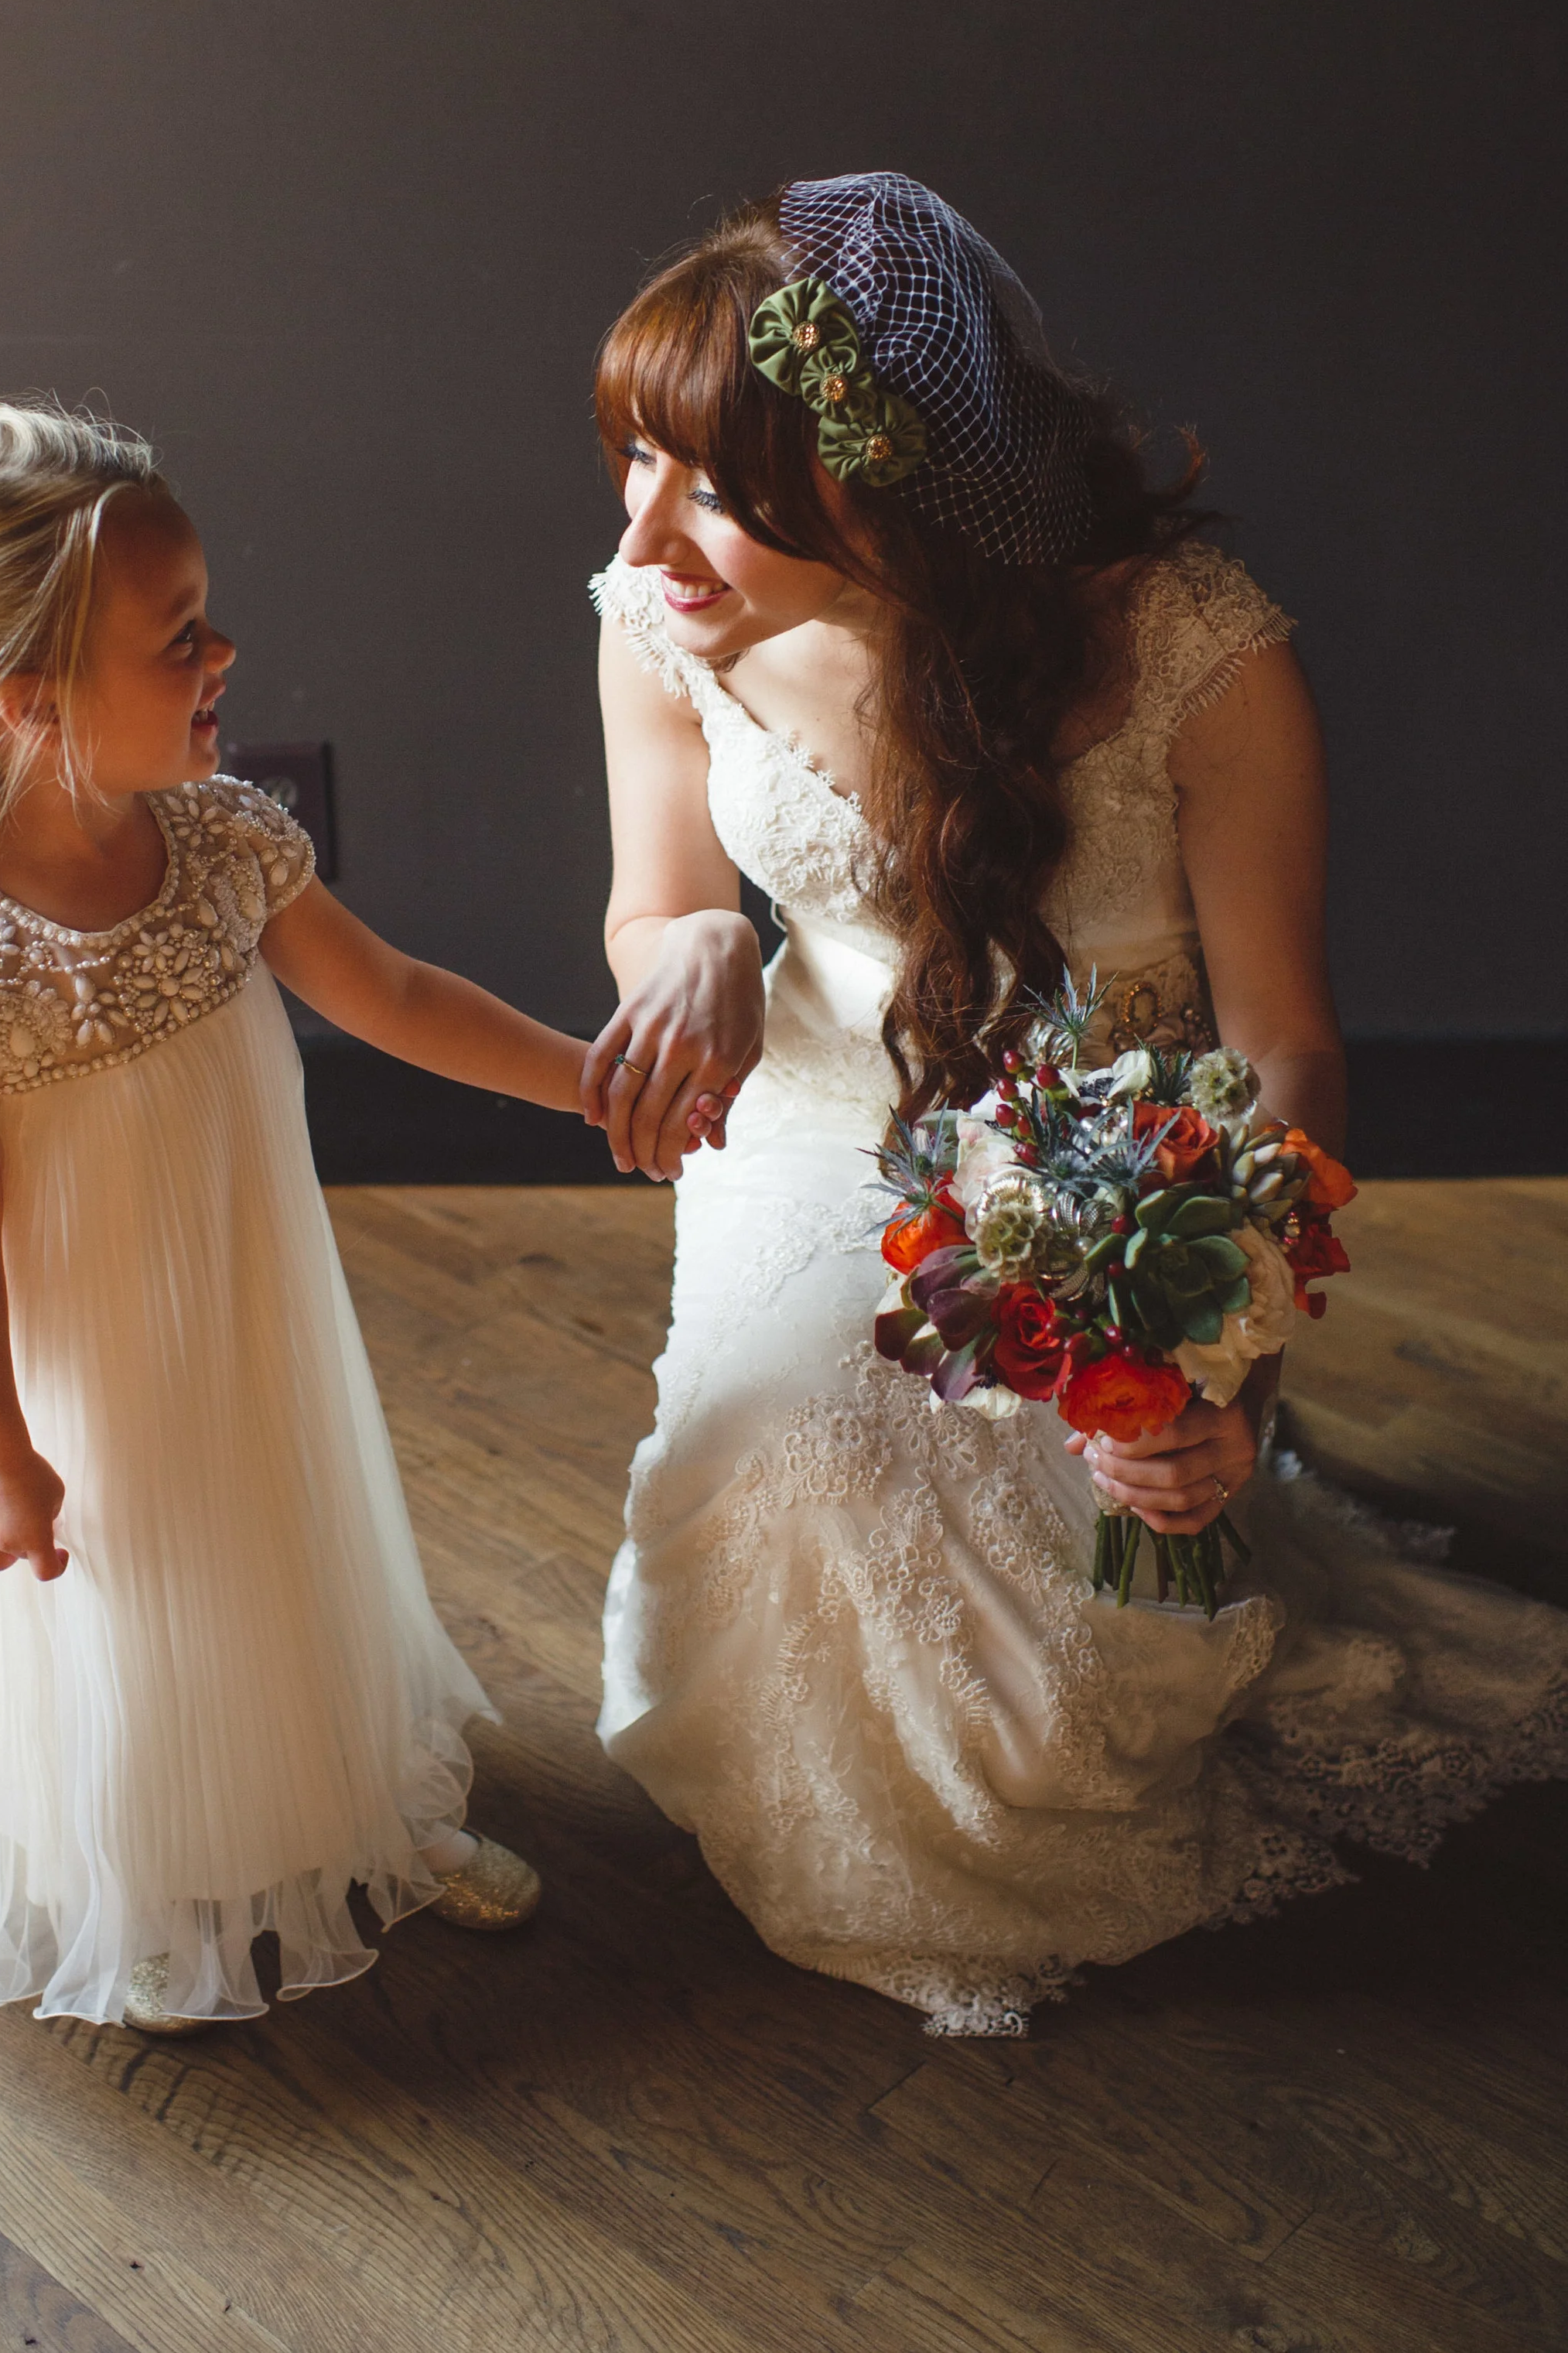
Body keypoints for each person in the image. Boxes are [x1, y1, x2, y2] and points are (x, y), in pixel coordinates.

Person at [582, 172, 1567, 2034]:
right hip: (819, 1108)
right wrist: (689, 949)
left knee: (1096, 1536)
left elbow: (1286, 1044)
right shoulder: (657, 619)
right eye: (633, 459)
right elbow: (651, 902)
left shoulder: (1195, 642)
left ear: (876, 477)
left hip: (1119, 1146)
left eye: (707, 483)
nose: (644, 536)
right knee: (801, 1442)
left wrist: (1221, 1360)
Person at [0, 400, 575, 2033]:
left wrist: (588, 1083)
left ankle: (345, 1808)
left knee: (274, 1544)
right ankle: (141, 1872)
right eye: (177, 636)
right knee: (138, 1593)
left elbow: (391, 994)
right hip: (83, 1378)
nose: (223, 648)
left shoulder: (225, 845)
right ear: (29, 704)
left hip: (243, 1309)